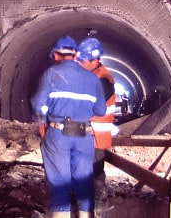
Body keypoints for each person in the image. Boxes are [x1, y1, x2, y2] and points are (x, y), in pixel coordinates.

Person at [32, 36, 106, 218]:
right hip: (83, 134)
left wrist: (44, 118)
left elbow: (37, 105)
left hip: (58, 134)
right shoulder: (92, 78)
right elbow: (101, 110)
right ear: (75, 56)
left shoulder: (51, 74)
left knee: (60, 183)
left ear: (56, 55)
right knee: (84, 183)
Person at [76, 36, 119, 209]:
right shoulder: (91, 76)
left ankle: (99, 210)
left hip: (95, 137)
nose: (79, 63)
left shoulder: (102, 80)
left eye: (83, 61)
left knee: (95, 177)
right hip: (87, 135)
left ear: (95, 60)